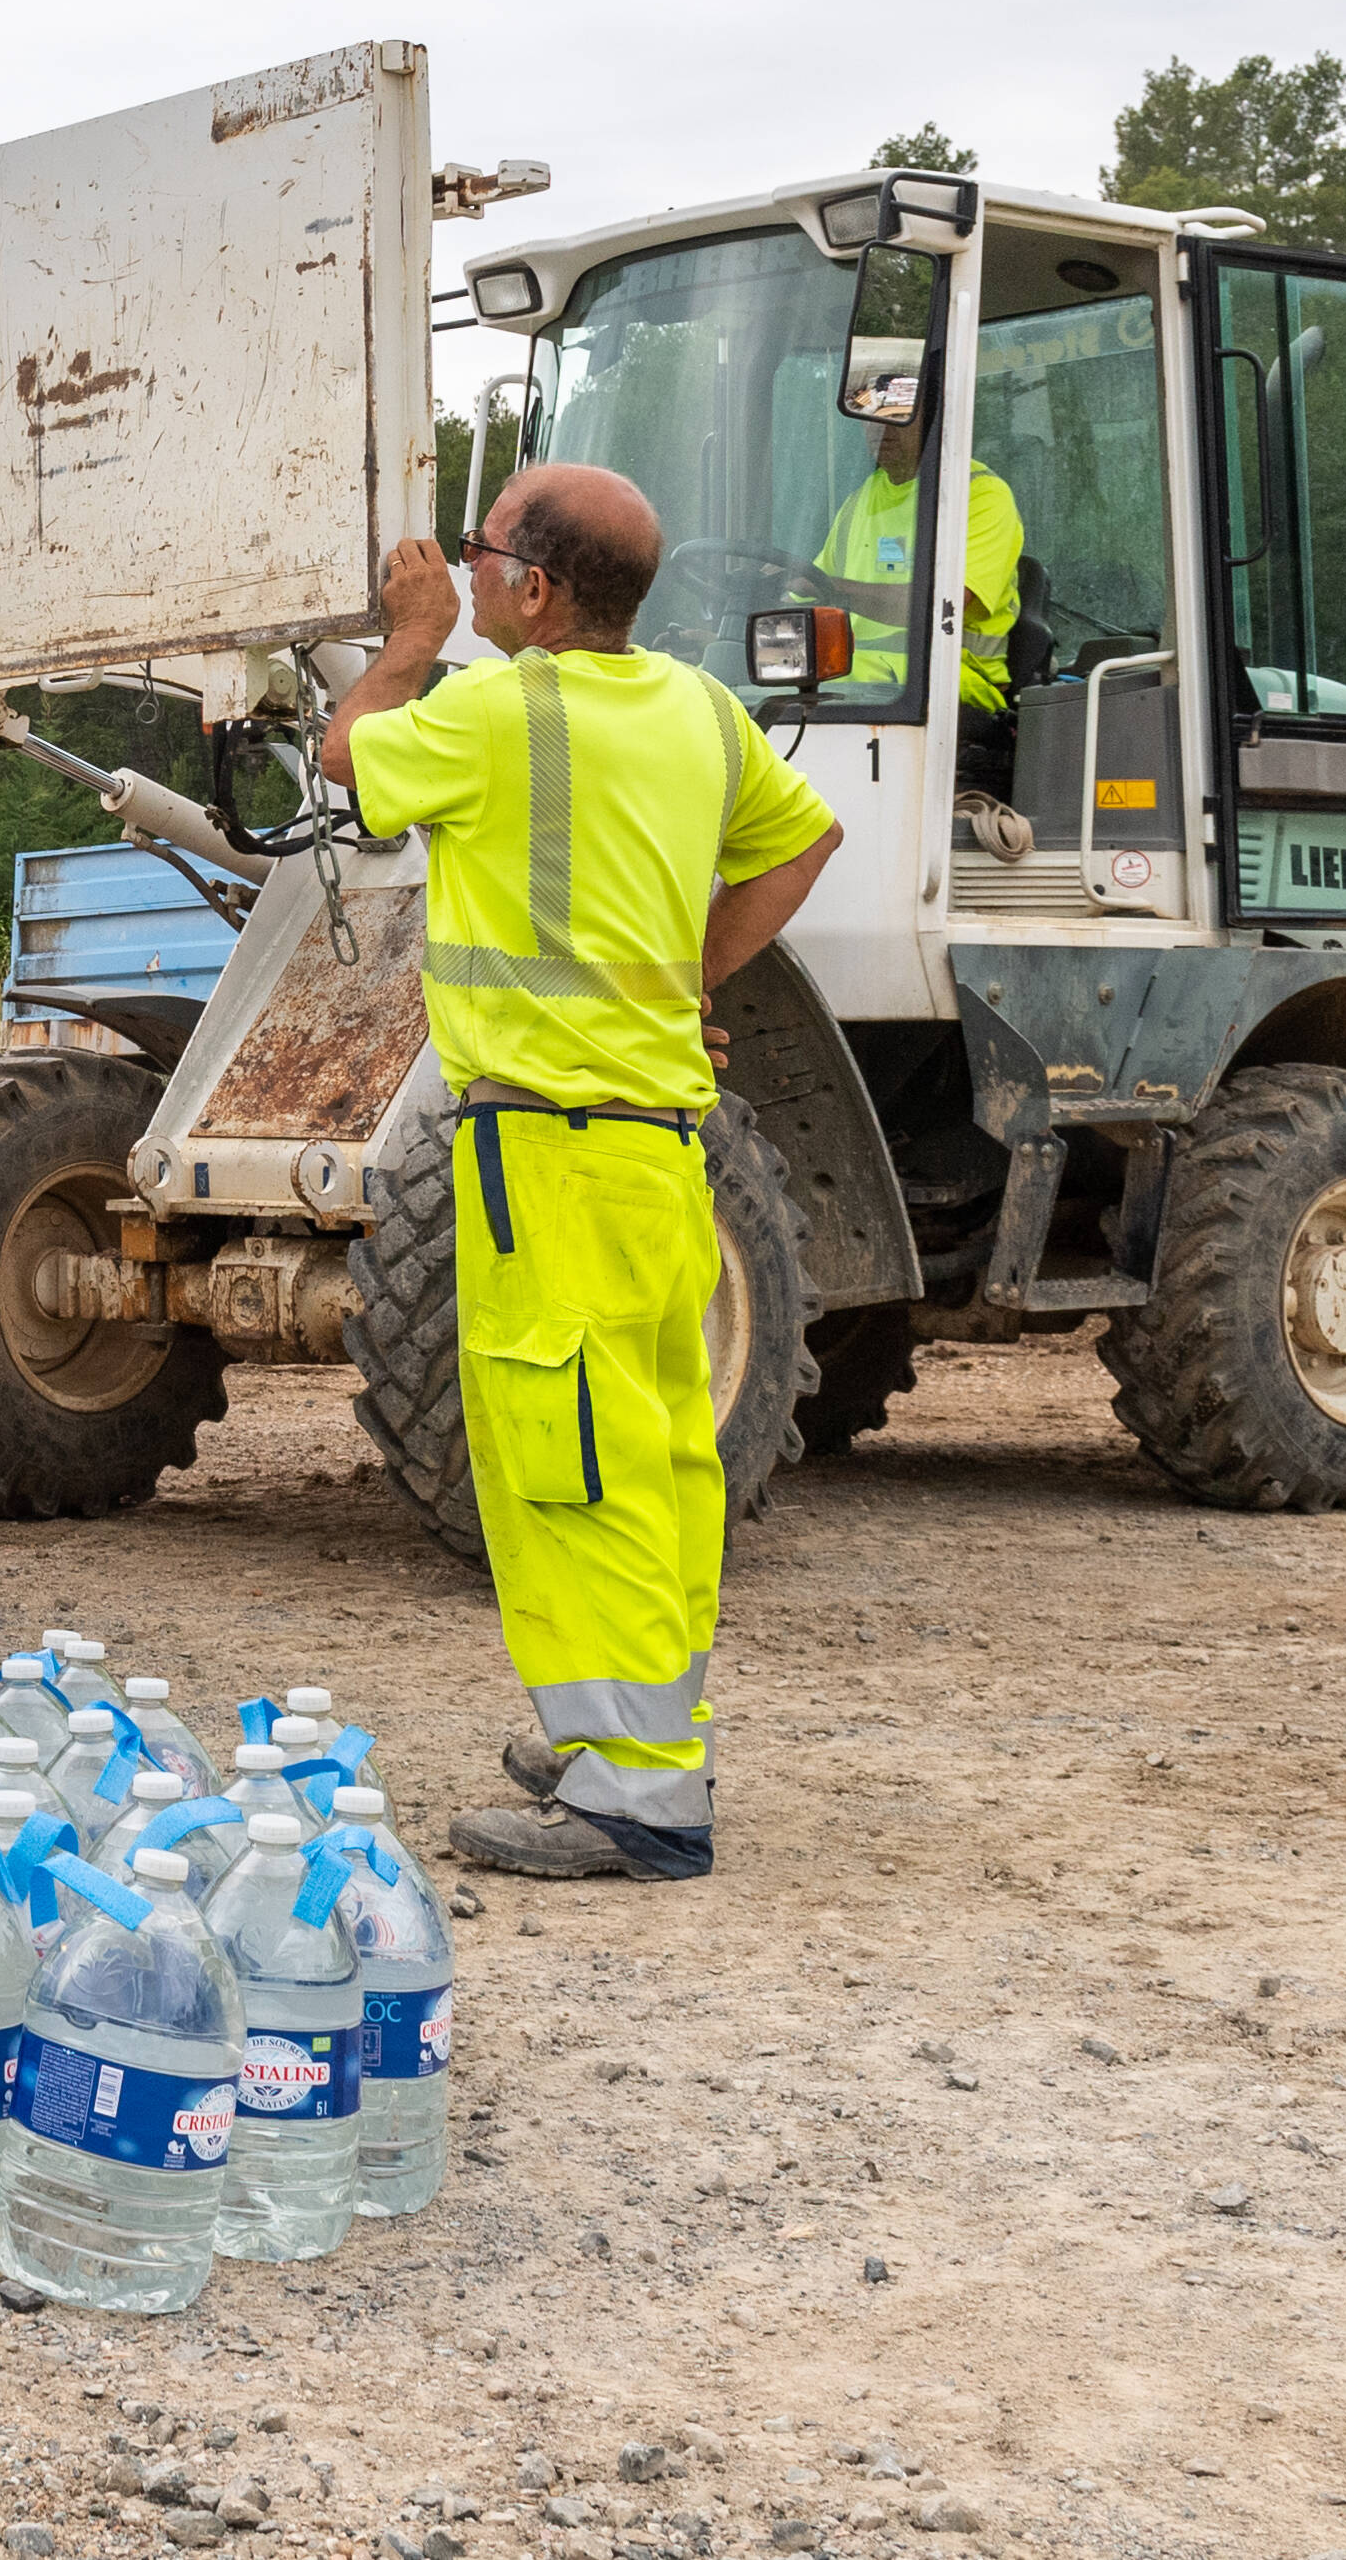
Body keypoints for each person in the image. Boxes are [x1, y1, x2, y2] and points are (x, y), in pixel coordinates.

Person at [317, 465, 843, 1882]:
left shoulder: (490, 710)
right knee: (656, 1457)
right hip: (661, 1149)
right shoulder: (694, 711)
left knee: (567, 1464)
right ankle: (623, 1740)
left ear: (535, 589)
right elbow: (803, 843)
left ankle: (639, 1804)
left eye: (482, 554)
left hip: (542, 1149)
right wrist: (681, 980)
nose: (468, 570)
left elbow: (342, 761)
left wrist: (407, 638)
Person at [796, 401, 1024, 797]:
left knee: (825, 687)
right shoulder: (860, 501)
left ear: (934, 415)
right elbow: (806, 592)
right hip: (860, 670)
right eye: (869, 417)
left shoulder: (979, 494)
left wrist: (836, 589)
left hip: (954, 675)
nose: (879, 429)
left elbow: (946, 604)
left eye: (896, 414)